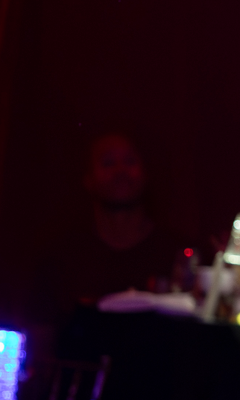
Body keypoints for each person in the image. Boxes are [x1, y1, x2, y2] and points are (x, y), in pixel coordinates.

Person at [32, 132, 193, 324]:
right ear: (88, 179)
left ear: (145, 173)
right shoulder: (61, 259)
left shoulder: (178, 256)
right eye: (108, 163)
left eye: (129, 161)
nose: (120, 170)